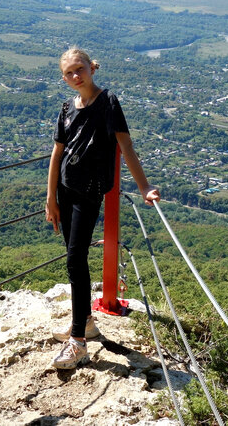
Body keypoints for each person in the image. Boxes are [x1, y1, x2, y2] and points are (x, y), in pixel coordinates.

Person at [46, 47, 160, 370]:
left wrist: (143, 187)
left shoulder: (108, 103)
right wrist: (50, 199)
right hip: (66, 192)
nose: (75, 76)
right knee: (75, 259)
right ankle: (85, 322)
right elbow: (57, 155)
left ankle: (79, 342)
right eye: (68, 73)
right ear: (64, 77)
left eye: (79, 69)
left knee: (73, 258)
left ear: (91, 68)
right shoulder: (67, 108)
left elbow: (126, 145)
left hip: (89, 194)